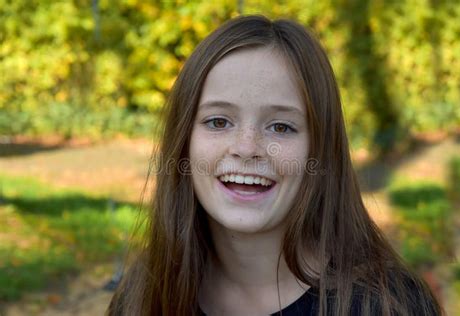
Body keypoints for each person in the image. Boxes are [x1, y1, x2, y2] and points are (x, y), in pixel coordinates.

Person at [107, 15, 442, 315]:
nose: (246, 148)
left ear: (320, 151)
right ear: (184, 143)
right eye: (218, 121)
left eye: (281, 127)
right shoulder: (143, 294)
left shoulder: (389, 306)